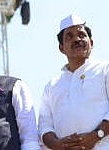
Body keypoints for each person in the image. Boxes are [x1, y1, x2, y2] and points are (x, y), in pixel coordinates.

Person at [38, 14, 109, 150]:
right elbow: (44, 126)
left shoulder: (105, 70)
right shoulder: (52, 86)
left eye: (82, 35)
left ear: (91, 43)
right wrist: (57, 145)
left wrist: (97, 135)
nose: (77, 39)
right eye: (69, 36)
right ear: (61, 48)